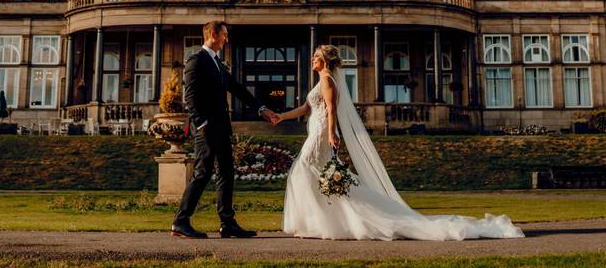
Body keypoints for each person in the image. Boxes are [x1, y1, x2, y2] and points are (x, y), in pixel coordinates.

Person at [278, 44, 524, 241]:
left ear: (325, 60)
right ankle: (319, 222)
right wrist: (281, 116)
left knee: (304, 171)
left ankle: (316, 222)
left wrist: (331, 133)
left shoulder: (328, 80)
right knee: (318, 176)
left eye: (315, 57)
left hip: (321, 133)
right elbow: (306, 108)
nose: (312, 60)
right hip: (316, 130)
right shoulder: (321, 80)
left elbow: (331, 109)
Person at [172, 20, 279, 239]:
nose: (226, 39)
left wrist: (261, 108)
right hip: (207, 130)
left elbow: (238, 89)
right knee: (202, 173)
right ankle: (180, 221)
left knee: (226, 174)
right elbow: (190, 97)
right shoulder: (196, 61)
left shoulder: (218, 64)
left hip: (222, 128)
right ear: (213, 34)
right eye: (224, 35)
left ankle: (227, 223)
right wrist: (201, 124)